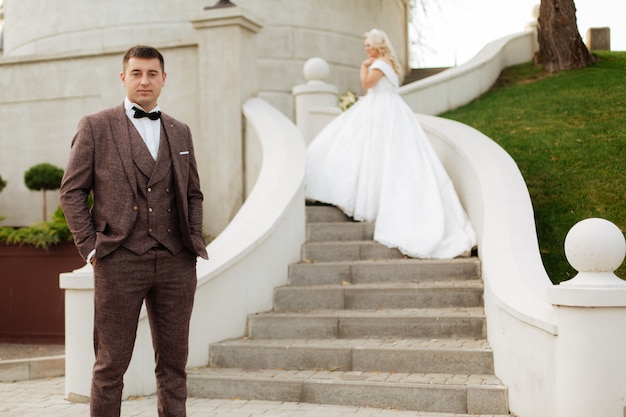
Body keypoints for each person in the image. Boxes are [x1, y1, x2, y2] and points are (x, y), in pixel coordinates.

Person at [59, 45, 208, 417]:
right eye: (137, 73)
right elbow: (71, 191)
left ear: (163, 79)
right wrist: (91, 248)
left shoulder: (180, 131)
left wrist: (192, 240)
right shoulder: (95, 126)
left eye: (152, 73)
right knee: (111, 366)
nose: (145, 80)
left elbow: (193, 193)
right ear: (123, 77)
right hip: (118, 261)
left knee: (174, 366)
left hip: (176, 262)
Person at [305, 29, 476, 259]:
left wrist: (363, 67)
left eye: (368, 45)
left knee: (378, 153)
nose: (366, 49)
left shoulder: (379, 65)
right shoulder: (388, 64)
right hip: (388, 109)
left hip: (382, 111)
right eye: (365, 45)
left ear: (378, 46)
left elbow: (367, 84)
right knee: (370, 153)